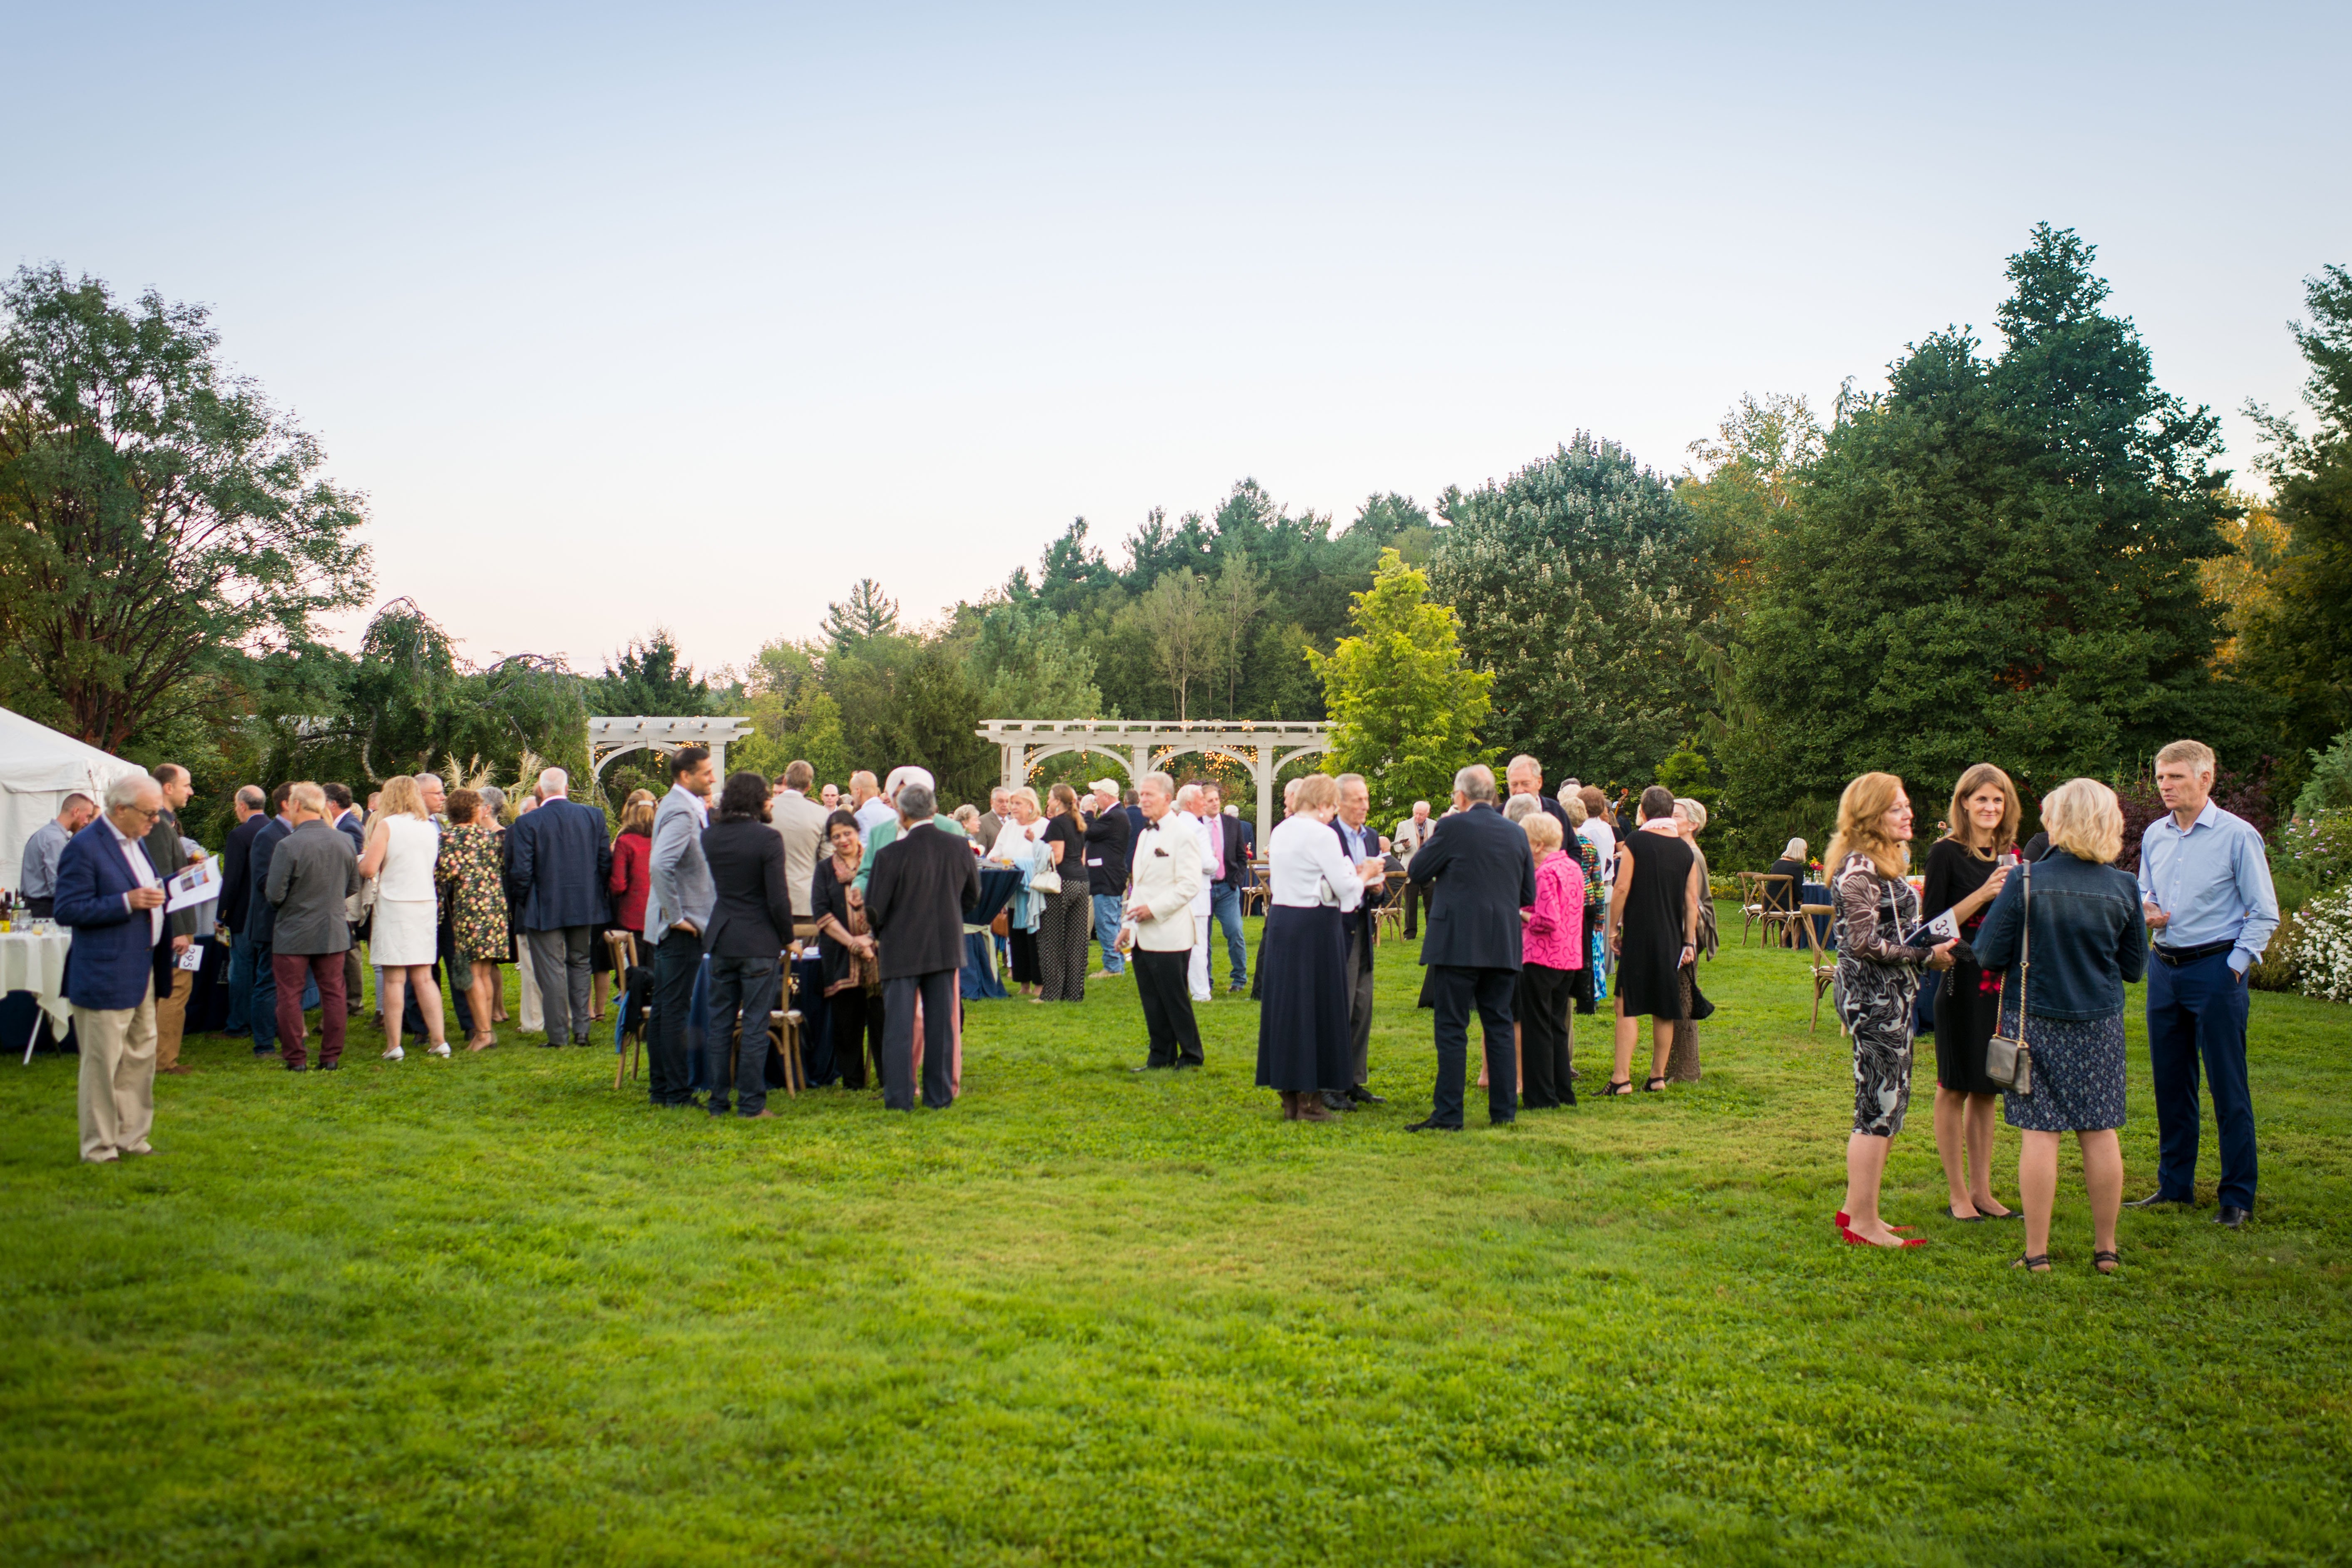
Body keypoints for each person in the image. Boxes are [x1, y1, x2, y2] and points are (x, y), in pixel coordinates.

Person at [1972, 778, 2146, 1274]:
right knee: (2099, 1131)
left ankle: (2037, 1253)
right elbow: (2135, 968)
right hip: (2098, 1023)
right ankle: (2106, 1249)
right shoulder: (2124, 886)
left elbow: (1987, 953)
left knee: (2040, 1135)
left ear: (2057, 821)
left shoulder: (2024, 881)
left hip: (2036, 1022)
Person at [2133, 738, 2280, 1229]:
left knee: (2227, 1085)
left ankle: (2237, 1196)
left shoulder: (2238, 836)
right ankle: (2175, 1186)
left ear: (2205, 777)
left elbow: (2264, 912)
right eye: (2160, 777)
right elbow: (2143, 887)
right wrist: (2147, 907)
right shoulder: (2155, 834)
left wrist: (2234, 967)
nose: (2165, 786)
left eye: (2174, 776)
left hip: (2215, 970)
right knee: (2172, 1084)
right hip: (2164, 968)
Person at [1828, 773, 1959, 1247]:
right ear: (1870, 815)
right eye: (1897, 807)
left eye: (1906, 806)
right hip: (1875, 1001)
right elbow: (1862, 942)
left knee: (1888, 1103)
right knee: (1876, 1107)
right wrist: (1925, 954)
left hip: (1893, 998)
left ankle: (1860, 1210)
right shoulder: (1859, 869)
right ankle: (1861, 1222)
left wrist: (1923, 941)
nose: (1909, 814)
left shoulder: (1882, 864)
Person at [1405, 764, 1535, 1131]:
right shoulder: (1515, 833)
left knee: (1451, 1027)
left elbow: (1417, 870)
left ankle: (1449, 1113)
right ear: (1493, 794)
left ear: (1460, 796)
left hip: (1457, 940)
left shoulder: (1451, 826)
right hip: (1502, 941)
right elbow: (1528, 894)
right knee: (1499, 1024)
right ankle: (1503, 1111)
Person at [1920, 765, 2021, 1222]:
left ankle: (1983, 1191)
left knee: (1986, 1089)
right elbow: (1929, 929)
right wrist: (1983, 894)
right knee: (1954, 1086)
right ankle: (1958, 1193)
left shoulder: (2012, 855)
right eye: (1981, 799)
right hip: (1961, 981)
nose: (1990, 808)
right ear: (1963, 803)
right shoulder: (1945, 853)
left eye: (1997, 801)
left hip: (2001, 986)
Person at [53, 774, 169, 1160]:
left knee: (140, 1056)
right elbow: (67, 909)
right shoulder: (84, 848)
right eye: (150, 813)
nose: (156, 820)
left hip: (141, 966)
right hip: (104, 970)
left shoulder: (137, 841)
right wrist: (127, 901)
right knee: (103, 1065)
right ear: (121, 809)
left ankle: (132, 1138)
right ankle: (99, 1147)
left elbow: (142, 890)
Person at [1254, 774, 1376, 1123]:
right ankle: (1311, 1101)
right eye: (1333, 807)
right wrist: (1365, 874)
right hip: (1315, 925)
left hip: (1282, 922)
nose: (1332, 815)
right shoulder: (1322, 834)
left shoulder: (1282, 830)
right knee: (1317, 1009)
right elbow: (1346, 889)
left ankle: (1289, 1097)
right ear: (1324, 804)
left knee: (1287, 1008)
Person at [865, 780, 979, 1111]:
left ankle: (900, 1097)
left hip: (900, 946)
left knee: (899, 1025)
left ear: (900, 813)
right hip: (944, 943)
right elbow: (973, 896)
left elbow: (874, 908)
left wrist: (884, 929)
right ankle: (939, 1095)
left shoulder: (889, 855)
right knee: (942, 1024)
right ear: (933, 810)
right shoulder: (959, 847)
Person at [700, 772, 793, 1120]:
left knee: (721, 1024)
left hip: (722, 936)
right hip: (759, 940)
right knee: (755, 1024)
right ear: (758, 800)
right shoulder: (768, 839)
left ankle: (718, 1102)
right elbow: (778, 899)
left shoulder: (710, 837)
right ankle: (752, 1105)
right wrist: (787, 937)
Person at [1604, 786, 1704, 1095]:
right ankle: (1657, 1077)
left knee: (1626, 1004)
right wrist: (1688, 942)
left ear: (1644, 813)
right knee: (1664, 1006)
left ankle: (1622, 1078)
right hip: (1672, 936)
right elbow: (1691, 900)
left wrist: (1612, 930)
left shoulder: (1637, 841)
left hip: (1640, 932)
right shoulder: (1685, 850)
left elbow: (1621, 888)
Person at [504, 767, 613, 1049]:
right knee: (580, 963)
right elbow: (605, 863)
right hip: (584, 904)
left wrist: (524, 900)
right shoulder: (593, 816)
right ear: (566, 788)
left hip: (544, 907)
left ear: (541, 791)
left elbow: (521, 870)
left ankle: (558, 1035)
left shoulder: (528, 822)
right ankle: (582, 1030)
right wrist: (595, 895)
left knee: (551, 969)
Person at [264, 783, 363, 1072]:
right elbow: (353, 886)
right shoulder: (344, 841)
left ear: (295, 806)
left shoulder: (288, 844)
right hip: (332, 929)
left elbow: (274, 894)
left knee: (289, 995)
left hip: (293, 931)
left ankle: (296, 1058)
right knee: (334, 993)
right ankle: (330, 1057)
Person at [646, 747, 717, 1108]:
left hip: (677, 924)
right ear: (685, 776)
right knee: (673, 1011)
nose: (713, 778)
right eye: (707, 773)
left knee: (665, 1009)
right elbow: (659, 865)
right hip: (680, 927)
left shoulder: (684, 805)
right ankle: (676, 1092)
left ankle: (662, 1090)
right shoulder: (680, 809)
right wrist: (677, 917)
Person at [357, 775, 447, 1061]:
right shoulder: (430, 828)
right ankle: (439, 1040)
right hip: (424, 903)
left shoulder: (388, 825)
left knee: (395, 979)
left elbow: (370, 868)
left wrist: (362, 861)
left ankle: (394, 1045)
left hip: (394, 904)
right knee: (424, 977)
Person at [1121, 771, 1206, 1072]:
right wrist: (1128, 925)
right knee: (1152, 1001)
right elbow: (1139, 885)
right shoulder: (1145, 834)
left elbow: (1189, 885)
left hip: (1170, 932)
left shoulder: (1183, 834)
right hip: (1143, 932)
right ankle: (1160, 1056)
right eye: (1141, 794)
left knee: (1175, 1000)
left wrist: (1153, 910)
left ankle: (1192, 1055)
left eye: (1149, 795)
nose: (1142, 800)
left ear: (1168, 799)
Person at [1320, 773, 1387, 1111]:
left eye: (1366, 798)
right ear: (1339, 802)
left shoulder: (1372, 836)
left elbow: (1375, 886)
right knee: (1339, 1006)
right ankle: (1330, 1084)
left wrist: (1377, 889)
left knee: (1362, 1005)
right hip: (1335, 928)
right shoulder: (1327, 836)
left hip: (1362, 925)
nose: (1365, 805)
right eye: (1358, 799)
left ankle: (1353, 1080)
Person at [811, 809, 885, 1091]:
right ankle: (853, 1080)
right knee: (846, 1023)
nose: (843, 840)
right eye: (836, 837)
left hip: (878, 952)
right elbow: (822, 913)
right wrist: (853, 943)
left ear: (857, 833)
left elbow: (890, 902)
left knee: (882, 1020)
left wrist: (870, 938)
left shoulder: (876, 862)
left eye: (847, 833)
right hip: (840, 954)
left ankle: (888, 1076)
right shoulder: (824, 870)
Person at [1517, 811, 1584, 1108]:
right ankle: (1562, 1091)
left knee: (1537, 1027)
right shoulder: (1572, 867)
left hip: (1542, 956)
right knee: (1557, 1025)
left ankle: (1541, 1096)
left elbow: (1546, 919)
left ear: (1536, 844)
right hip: (1569, 957)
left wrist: (1517, 912)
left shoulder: (1545, 872)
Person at [141, 764, 203, 1076]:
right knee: (175, 990)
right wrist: (178, 931)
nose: (190, 791)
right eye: (186, 785)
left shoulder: (165, 823)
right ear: (167, 788)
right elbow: (162, 881)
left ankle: (159, 1056)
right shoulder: (158, 826)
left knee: (174, 990)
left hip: (174, 926)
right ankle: (163, 1060)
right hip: (174, 929)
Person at [435, 788, 507, 1051]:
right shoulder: (490, 838)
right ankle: (485, 1030)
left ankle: (484, 1033)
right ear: (475, 810)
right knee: (484, 972)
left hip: (469, 909)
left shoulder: (448, 839)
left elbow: (443, 875)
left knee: (472, 975)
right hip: (495, 908)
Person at [1664, 797, 1720, 1083]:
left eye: (1676, 815)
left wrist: (1687, 941)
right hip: (1683, 930)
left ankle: (1687, 1070)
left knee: (1685, 998)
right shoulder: (1681, 850)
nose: (1670, 818)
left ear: (1694, 824)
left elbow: (1693, 903)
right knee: (1679, 996)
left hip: (1691, 932)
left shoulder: (1691, 854)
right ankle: (1677, 1066)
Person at [243, 783, 296, 1062]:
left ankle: (287, 1040)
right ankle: (264, 1046)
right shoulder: (268, 835)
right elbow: (264, 881)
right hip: (271, 922)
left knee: (287, 985)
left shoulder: (295, 833)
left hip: (291, 922)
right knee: (267, 983)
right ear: (287, 804)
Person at [990, 787, 1049, 997]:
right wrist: (996, 858)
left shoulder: (1043, 826)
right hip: (1014, 890)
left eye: (1017, 804)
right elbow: (996, 851)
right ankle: (1024, 984)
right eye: (1012, 804)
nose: (1012, 808)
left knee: (1036, 939)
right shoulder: (1009, 827)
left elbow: (1046, 857)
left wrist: (1018, 862)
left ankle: (1040, 985)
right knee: (1017, 938)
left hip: (1036, 892)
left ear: (1031, 806)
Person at [216, 786, 266, 1035]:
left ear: (242, 806)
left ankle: (238, 1023)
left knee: (242, 970)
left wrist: (221, 915)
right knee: (267, 973)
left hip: (243, 916)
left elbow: (232, 880)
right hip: (271, 916)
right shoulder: (280, 830)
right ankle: (265, 1022)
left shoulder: (240, 835)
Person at [1036, 784, 1092, 1002]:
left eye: (1050, 798)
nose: (1048, 802)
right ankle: (1074, 992)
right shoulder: (1079, 822)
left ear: (1058, 801)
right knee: (1077, 940)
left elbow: (1056, 857)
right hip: (1081, 881)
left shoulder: (1058, 823)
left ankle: (1050, 994)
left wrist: (1037, 846)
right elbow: (1082, 857)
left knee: (1051, 938)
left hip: (1062, 883)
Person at [768, 761, 830, 933]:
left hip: (769, 897)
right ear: (809, 786)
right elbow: (827, 860)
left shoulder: (766, 810)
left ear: (786, 782)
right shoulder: (821, 813)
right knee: (806, 956)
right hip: (806, 898)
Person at [1172, 784, 1218, 1001]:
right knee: (1198, 945)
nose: (1205, 804)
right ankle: (1201, 992)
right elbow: (1207, 863)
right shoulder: (1197, 828)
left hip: (1177, 892)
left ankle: (1179, 989)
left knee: (1178, 942)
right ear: (1190, 804)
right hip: (1197, 893)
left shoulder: (1173, 824)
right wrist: (1217, 861)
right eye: (1202, 800)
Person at [17, 791, 96, 919]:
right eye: (87, 816)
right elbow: (59, 883)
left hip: (37, 905)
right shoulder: (55, 840)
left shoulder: (45, 834)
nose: (87, 822)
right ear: (76, 811)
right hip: (45, 909)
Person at [1082, 779, 1132, 978]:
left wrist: (1088, 813)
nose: (1094, 799)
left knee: (1106, 923)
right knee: (1112, 922)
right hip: (1107, 876)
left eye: (1097, 795)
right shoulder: (1115, 815)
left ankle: (1112, 967)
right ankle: (1117, 964)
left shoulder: (1115, 816)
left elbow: (1089, 832)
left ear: (1106, 796)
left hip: (1107, 878)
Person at [1561, 792, 1604, 1015]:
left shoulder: (1563, 843)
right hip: (1588, 901)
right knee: (1587, 950)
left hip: (1570, 902)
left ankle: (1566, 994)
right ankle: (1587, 1002)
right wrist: (1600, 915)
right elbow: (1597, 880)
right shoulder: (1589, 844)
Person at [608, 795, 655, 940]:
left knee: (637, 961)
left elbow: (618, 886)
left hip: (634, 917)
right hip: (660, 916)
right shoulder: (662, 839)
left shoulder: (625, 842)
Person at [1392, 799, 1436, 939]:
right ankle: (1410, 933)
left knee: (1431, 902)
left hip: (1429, 869)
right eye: (1416, 814)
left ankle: (1432, 931)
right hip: (1411, 869)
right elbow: (1396, 846)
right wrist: (1405, 846)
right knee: (1411, 903)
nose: (1418, 817)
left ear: (1427, 814)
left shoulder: (1435, 825)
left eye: (1421, 814)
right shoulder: (1403, 825)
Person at [1506, 754, 1575, 839]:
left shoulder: (1556, 811)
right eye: (1514, 785)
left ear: (1539, 782)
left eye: (1526, 784)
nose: (1520, 790)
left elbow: (1574, 849)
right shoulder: (1498, 816)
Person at [849, 770, 893, 837]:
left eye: (852, 793)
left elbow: (864, 845)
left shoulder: (861, 816)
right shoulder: (892, 813)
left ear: (858, 792)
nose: (852, 797)